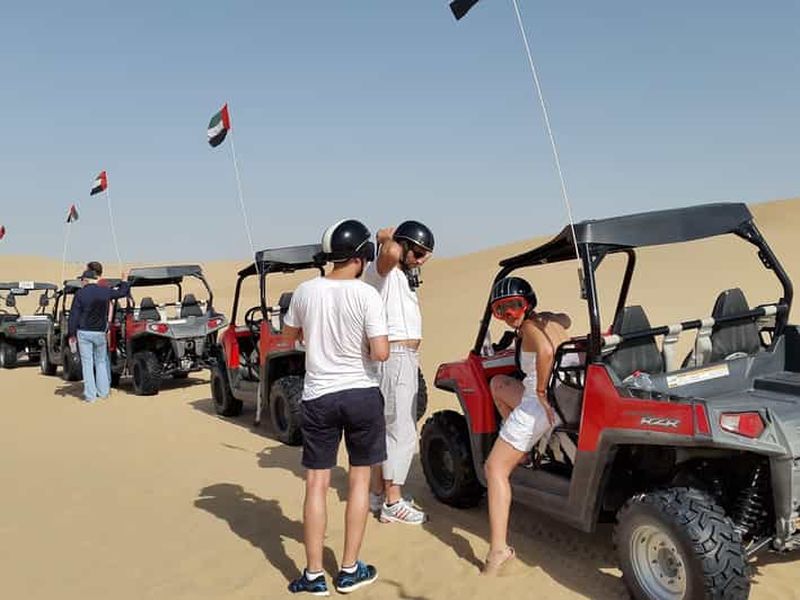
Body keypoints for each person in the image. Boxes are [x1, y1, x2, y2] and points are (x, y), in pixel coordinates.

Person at [283, 219, 390, 596]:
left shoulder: (305, 291)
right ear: (361, 257)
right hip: (361, 394)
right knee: (359, 480)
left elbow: (288, 338)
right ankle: (348, 570)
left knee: (316, 484)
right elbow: (380, 352)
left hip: (318, 396)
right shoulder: (367, 295)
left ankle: (313, 575)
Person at [482, 276, 571, 575]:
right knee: (498, 384)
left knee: (494, 469)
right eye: (501, 310)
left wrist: (541, 391)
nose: (509, 314)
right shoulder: (543, 321)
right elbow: (566, 318)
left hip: (540, 404)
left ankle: (498, 551)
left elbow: (545, 352)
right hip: (564, 396)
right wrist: (552, 318)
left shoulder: (531, 328)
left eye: (514, 306)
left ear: (527, 303)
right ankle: (520, 452)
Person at [364, 220, 434, 525]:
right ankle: (393, 501)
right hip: (396, 356)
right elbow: (391, 252)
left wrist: (412, 254)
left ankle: (377, 493)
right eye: (417, 252)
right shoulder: (382, 270)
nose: (421, 260)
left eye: (426, 255)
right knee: (401, 431)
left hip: (401, 358)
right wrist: (387, 237)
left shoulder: (401, 276)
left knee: (387, 428)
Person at [67, 263, 130, 403]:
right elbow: (122, 292)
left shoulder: (80, 294)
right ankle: (104, 392)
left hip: (84, 333)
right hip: (100, 333)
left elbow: (74, 316)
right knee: (101, 362)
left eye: (82, 280)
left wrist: (71, 334)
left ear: (86, 280)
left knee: (87, 364)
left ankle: (91, 396)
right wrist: (124, 280)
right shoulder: (104, 291)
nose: (81, 282)